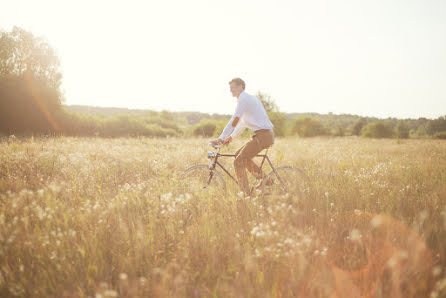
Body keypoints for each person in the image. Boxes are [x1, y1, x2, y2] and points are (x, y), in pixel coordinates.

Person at [211, 78, 274, 195]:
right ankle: (266, 181)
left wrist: (221, 137)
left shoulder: (244, 99)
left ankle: (246, 194)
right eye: (230, 89)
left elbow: (235, 119)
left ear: (241, 87)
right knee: (238, 156)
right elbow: (242, 123)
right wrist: (230, 137)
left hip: (263, 136)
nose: (231, 91)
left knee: (238, 162)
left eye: (233, 88)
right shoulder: (247, 99)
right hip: (264, 135)